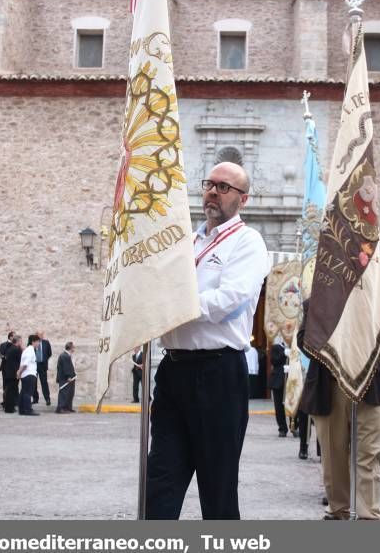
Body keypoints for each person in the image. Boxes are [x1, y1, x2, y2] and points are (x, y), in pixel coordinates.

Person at [148, 161, 269, 520]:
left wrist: (173, 306)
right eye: (209, 184)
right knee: (161, 479)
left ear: (243, 199)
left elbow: (229, 300)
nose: (213, 191)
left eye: (225, 187)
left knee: (217, 486)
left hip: (217, 373)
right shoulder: (187, 240)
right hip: (173, 371)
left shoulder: (248, 242)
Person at [298, 299, 380, 519]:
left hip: (368, 383)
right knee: (332, 453)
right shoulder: (316, 301)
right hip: (328, 385)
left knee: (369, 452)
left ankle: (368, 515)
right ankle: (338, 509)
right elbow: (304, 342)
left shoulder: (373, 295)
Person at [269, 340, 288, 437]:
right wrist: (284, 354)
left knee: (296, 405)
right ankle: (282, 428)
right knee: (279, 406)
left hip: (291, 379)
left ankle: (295, 426)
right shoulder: (276, 347)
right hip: (278, 380)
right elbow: (273, 360)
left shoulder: (293, 345)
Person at [18, 335, 40, 416]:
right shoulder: (30, 350)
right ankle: (28, 409)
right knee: (28, 393)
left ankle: (22, 409)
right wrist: (19, 372)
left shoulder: (26, 350)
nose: (39, 343)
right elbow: (25, 364)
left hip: (25, 374)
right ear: (33, 341)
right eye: (38, 341)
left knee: (23, 392)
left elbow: (22, 363)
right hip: (30, 374)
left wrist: (19, 372)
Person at [1, 334, 22, 413]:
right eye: (21, 341)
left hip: (9, 373)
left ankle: (8, 407)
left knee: (9, 391)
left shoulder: (11, 348)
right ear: (18, 341)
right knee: (11, 391)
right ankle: (10, 408)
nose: (21, 342)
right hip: (13, 373)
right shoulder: (16, 349)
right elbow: (20, 361)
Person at [56, 341, 76, 413]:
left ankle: (68, 407)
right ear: (70, 348)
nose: (74, 349)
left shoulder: (68, 355)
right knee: (64, 393)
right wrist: (68, 376)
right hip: (65, 378)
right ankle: (61, 408)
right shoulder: (64, 356)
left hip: (70, 378)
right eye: (73, 347)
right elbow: (66, 367)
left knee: (70, 393)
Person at [33, 330, 52, 407]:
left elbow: (49, 353)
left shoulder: (46, 343)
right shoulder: (32, 343)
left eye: (42, 334)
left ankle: (47, 399)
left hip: (42, 365)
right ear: (36, 335)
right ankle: (35, 398)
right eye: (40, 335)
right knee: (34, 382)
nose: (42, 336)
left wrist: (44, 359)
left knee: (44, 382)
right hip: (34, 365)